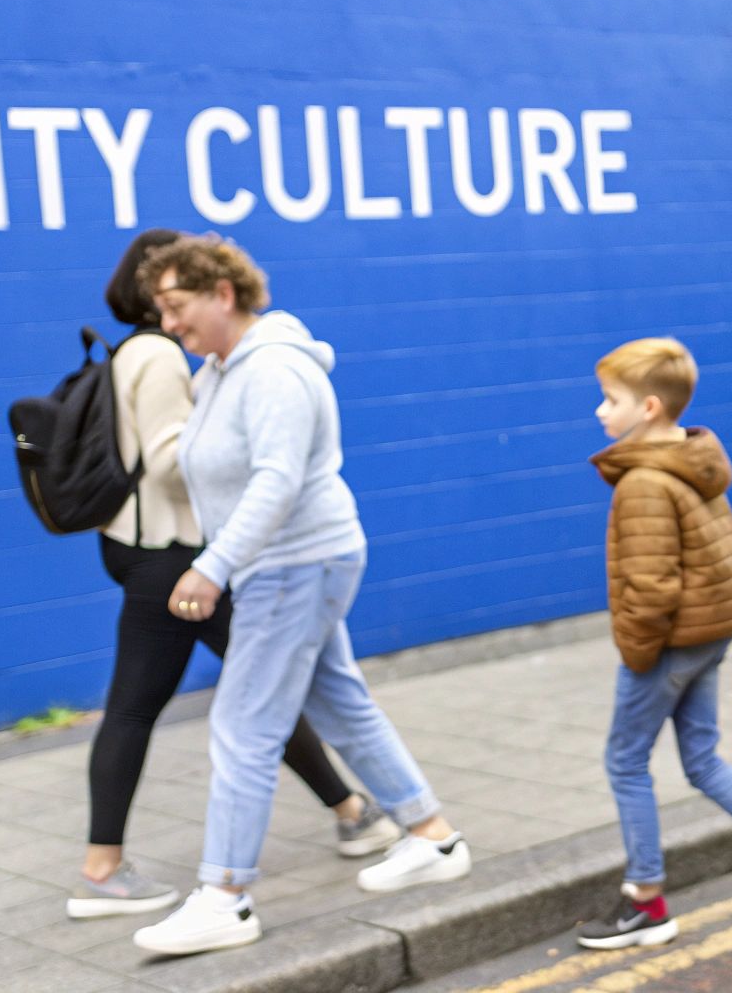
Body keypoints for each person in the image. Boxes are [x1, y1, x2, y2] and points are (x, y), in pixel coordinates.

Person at [128, 235, 469, 956]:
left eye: (177, 306)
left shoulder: (274, 369)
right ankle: (432, 837)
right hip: (288, 564)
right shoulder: (222, 370)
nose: (169, 325)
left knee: (244, 726)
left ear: (223, 293)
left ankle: (225, 895)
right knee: (340, 703)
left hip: (294, 562)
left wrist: (210, 566)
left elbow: (277, 481)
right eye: (160, 311)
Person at [71, 230, 399, 920]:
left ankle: (353, 811)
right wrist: (225, 452)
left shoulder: (135, 349)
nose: (173, 316)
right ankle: (194, 880)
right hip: (178, 553)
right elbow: (170, 461)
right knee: (254, 703)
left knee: (270, 690)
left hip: (162, 549)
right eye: (165, 297)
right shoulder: (160, 356)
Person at [575, 338, 732, 951]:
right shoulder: (692, 459)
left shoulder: (643, 480)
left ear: (650, 408)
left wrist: (637, 655)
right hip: (708, 633)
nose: (599, 411)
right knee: (701, 758)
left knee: (625, 761)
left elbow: (651, 587)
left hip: (670, 644)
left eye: (610, 399)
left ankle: (646, 900)